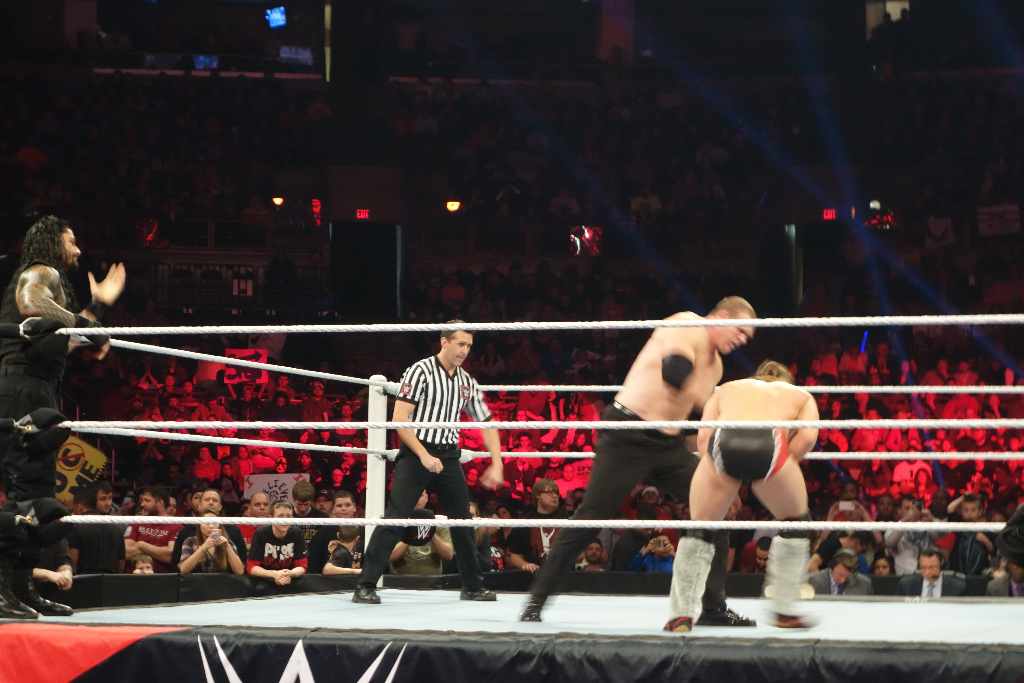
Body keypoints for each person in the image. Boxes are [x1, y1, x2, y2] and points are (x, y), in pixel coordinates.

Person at [521, 298, 757, 626]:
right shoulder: (687, 324)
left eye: (748, 337)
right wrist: (725, 408)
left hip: (669, 446)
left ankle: (713, 607)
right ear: (723, 316)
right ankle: (536, 600)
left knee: (715, 511)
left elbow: (700, 417)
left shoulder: (715, 366)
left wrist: (726, 455)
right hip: (626, 436)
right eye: (740, 330)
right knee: (591, 516)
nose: (742, 340)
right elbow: (674, 372)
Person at [0, 215, 124, 618]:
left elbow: (61, 342)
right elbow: (30, 302)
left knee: (36, 495)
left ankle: (21, 589)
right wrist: (89, 324)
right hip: (24, 389)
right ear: (54, 243)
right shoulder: (41, 271)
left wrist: (97, 309)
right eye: (72, 241)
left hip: (31, 389)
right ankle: (4, 592)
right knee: (26, 493)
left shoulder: (50, 287)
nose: (78, 249)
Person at [353, 321, 503, 604]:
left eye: (469, 346)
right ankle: (365, 584)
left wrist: (497, 463)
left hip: (448, 455)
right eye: (460, 344)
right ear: (444, 342)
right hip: (416, 451)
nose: (465, 351)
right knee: (395, 517)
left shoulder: (466, 381)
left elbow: (488, 422)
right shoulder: (420, 371)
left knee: (462, 520)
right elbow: (399, 418)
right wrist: (424, 455)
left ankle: (472, 586)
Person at [666, 360, 819, 631]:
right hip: (770, 442)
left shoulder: (727, 388)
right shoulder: (800, 395)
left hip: (724, 440)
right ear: (787, 381)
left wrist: (718, 471)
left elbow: (704, 438)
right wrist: (781, 466)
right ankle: (784, 610)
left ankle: (681, 615)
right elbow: (807, 438)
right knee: (797, 523)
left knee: (700, 528)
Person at [123, 486, 182, 573]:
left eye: (147, 501)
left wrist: (141, 545)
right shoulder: (137, 522)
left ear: (160, 503)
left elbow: (170, 556)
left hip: (162, 578)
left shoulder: (176, 527)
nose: (142, 504)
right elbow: (125, 552)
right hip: (135, 577)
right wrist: (159, 551)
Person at [247, 501, 307, 585]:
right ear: (271, 518)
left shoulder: (296, 533)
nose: (285, 520)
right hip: (264, 582)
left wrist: (290, 573)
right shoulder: (261, 533)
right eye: (280, 516)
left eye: (288, 516)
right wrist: (274, 574)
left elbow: (302, 566)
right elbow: (251, 567)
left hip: (290, 581)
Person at [178, 508, 245, 574]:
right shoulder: (190, 541)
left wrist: (227, 547)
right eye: (207, 523)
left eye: (214, 523)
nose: (211, 526)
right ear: (199, 525)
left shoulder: (228, 543)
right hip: (197, 581)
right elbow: (183, 570)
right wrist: (203, 547)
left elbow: (240, 571)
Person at [894, 546, 967, 597]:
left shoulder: (957, 587)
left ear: (941, 563)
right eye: (923, 568)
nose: (927, 572)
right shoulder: (906, 585)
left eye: (932, 567)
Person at [806, 549, 873, 596]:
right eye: (840, 575)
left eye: (847, 577)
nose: (842, 580)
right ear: (832, 566)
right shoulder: (811, 581)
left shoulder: (864, 584)